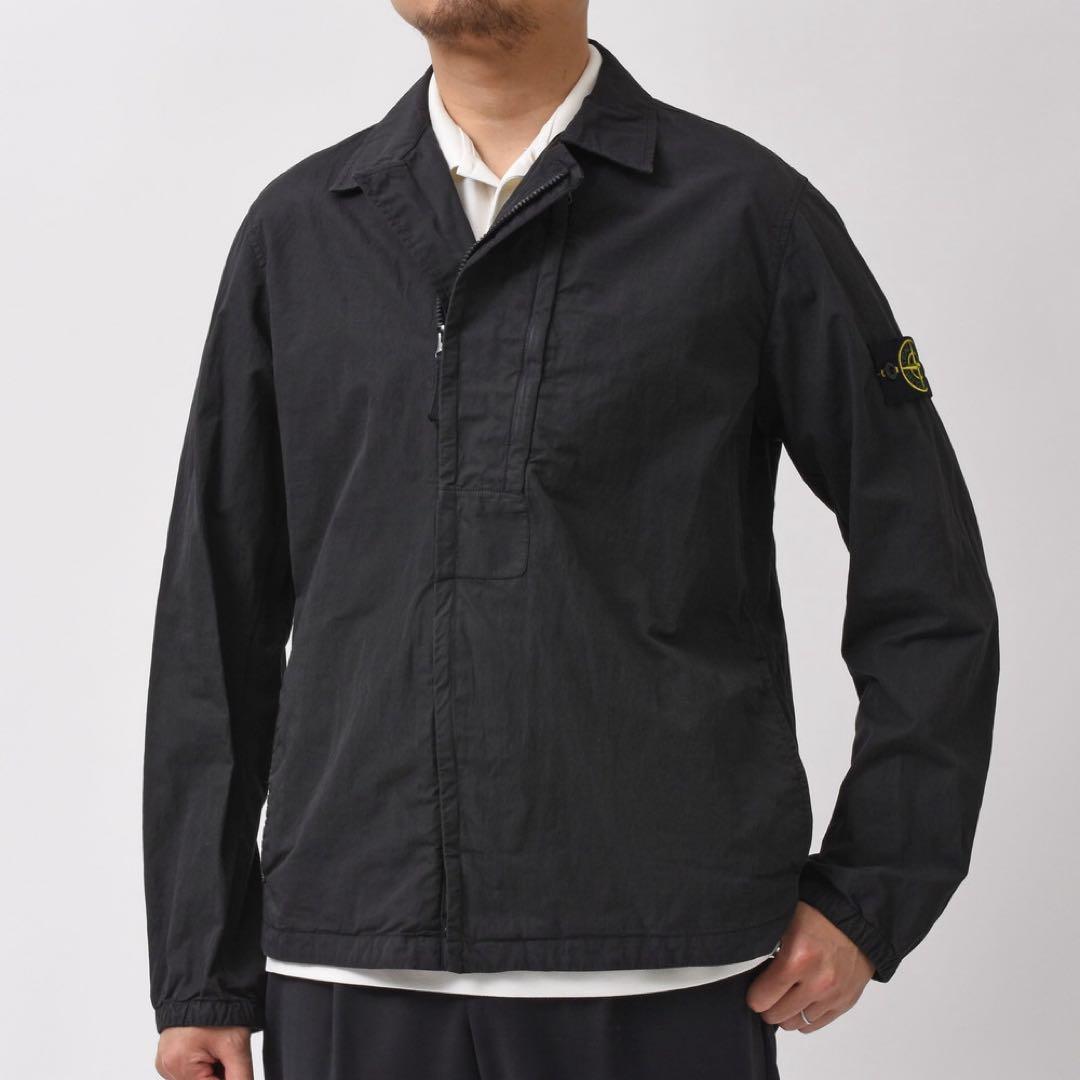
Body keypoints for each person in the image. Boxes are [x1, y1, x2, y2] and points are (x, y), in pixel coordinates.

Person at [142, 3, 1000, 1078]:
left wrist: (874, 888)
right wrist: (202, 972)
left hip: (661, 966)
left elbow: (927, 570)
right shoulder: (300, 231)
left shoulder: (744, 213)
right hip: (347, 960)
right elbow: (213, 617)